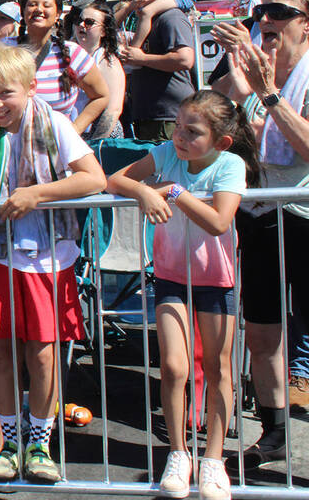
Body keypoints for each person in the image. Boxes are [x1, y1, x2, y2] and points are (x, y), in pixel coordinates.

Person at [0, 46, 106, 484]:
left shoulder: (53, 123)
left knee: (42, 353)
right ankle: (8, 443)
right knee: (0, 349)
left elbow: (92, 177)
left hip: (46, 258)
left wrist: (36, 194)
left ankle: (40, 441)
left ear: (30, 88)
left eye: (6, 93)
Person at [106, 90, 255, 500]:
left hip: (216, 281)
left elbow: (219, 222)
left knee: (220, 368)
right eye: (177, 127)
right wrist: (144, 191)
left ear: (220, 141)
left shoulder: (230, 164)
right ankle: (178, 452)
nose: (180, 137)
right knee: (173, 366)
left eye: (193, 131)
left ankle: (213, 459)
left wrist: (171, 191)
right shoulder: (165, 154)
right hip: (172, 277)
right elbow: (117, 178)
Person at [215, 0, 309, 472]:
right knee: (263, 330)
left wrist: (271, 96)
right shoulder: (255, 68)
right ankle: (273, 434)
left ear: (306, 22)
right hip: (260, 217)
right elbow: (214, 120)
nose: (268, 19)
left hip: (303, 216)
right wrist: (240, 83)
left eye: (281, 11)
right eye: (262, 10)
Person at [14, 0, 110, 135]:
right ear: (23, 11)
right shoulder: (4, 50)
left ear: (58, 14)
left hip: (54, 148)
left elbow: (101, 96)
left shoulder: (73, 53)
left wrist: (75, 130)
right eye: (32, 4)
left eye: (47, 5)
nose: (39, 9)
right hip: (11, 145)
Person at [120, 0, 197, 142]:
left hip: (168, 116)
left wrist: (143, 59)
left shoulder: (171, 17)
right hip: (148, 115)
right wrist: (128, 8)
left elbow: (184, 59)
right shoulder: (145, 19)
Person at [67, 0, 126, 140]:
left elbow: (112, 111)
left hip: (99, 136)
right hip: (74, 133)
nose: (81, 25)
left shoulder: (107, 61)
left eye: (89, 22)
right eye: (79, 21)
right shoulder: (69, 54)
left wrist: (94, 144)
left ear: (103, 31)